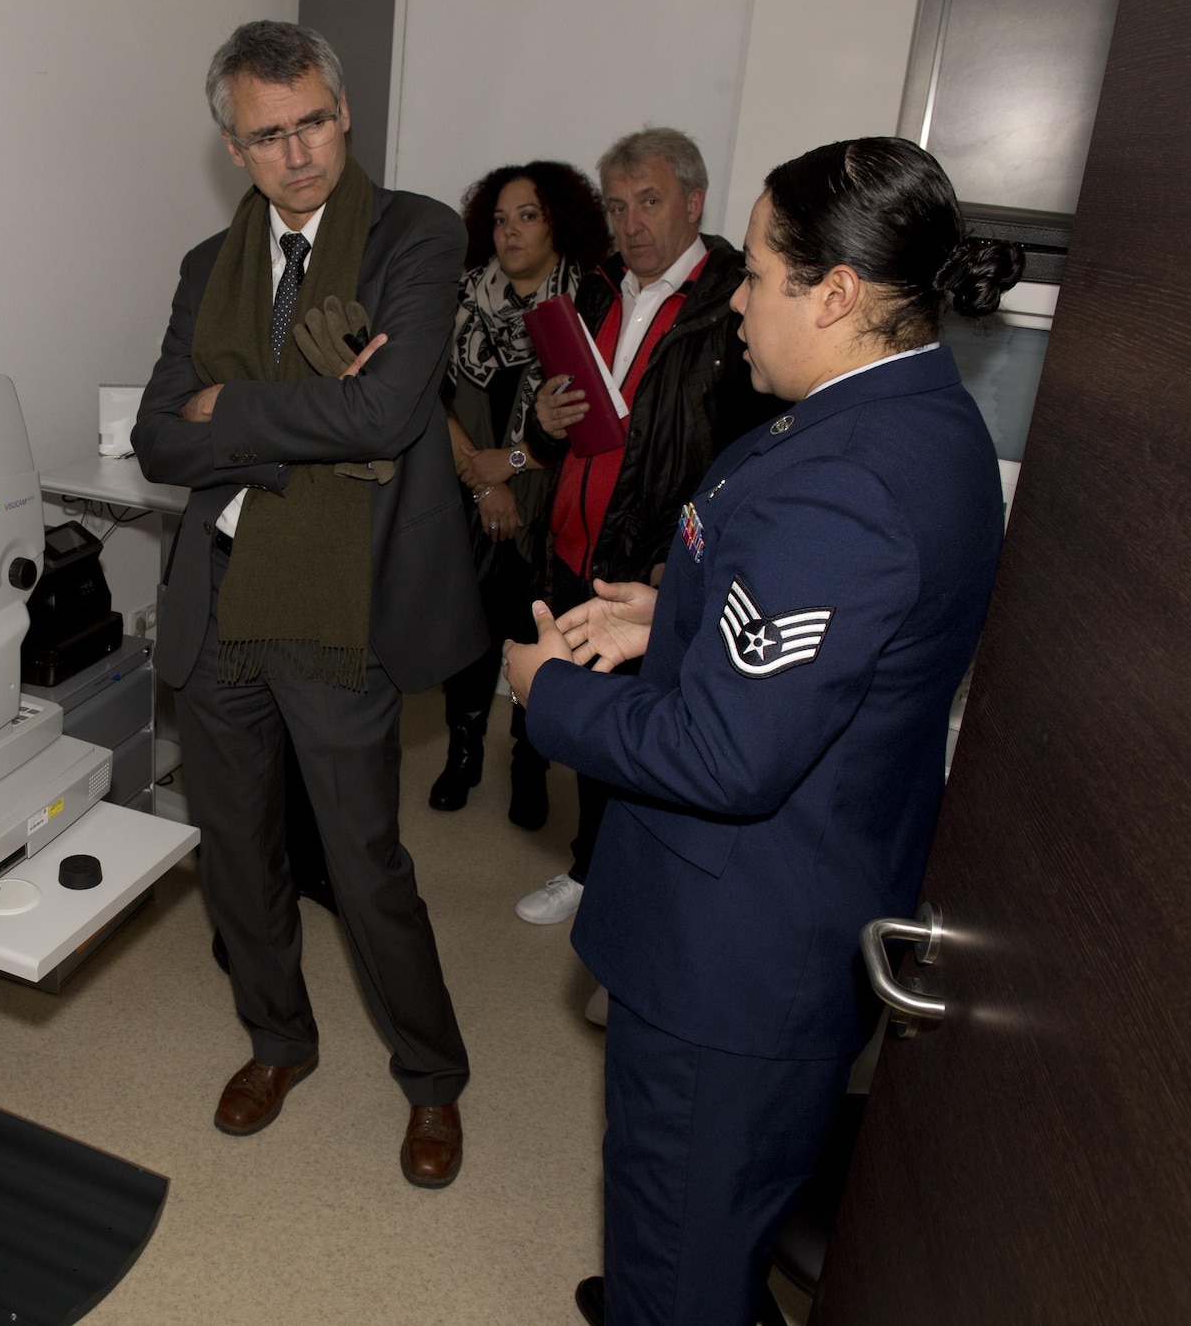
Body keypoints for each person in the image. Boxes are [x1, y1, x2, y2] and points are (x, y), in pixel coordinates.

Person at [503, 136, 1021, 1325]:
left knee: (678, 1239)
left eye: (759, 270)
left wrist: (546, 690)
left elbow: (724, 754)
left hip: (730, 957)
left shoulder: (845, 481)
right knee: (691, 1215)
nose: (734, 292)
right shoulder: (910, 412)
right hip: (797, 897)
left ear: (835, 293)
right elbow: (807, 637)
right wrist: (668, 614)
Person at [132, 20, 483, 1188]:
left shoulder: (414, 234)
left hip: (341, 598)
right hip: (221, 590)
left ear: (344, 113)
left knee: (360, 854)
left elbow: (383, 415)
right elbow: (150, 441)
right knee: (233, 847)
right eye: (268, 135)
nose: (298, 156)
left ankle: (430, 1076)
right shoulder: (202, 265)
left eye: (314, 123)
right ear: (232, 146)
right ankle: (277, 1039)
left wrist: (224, 409)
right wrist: (286, 420)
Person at [512, 128, 778, 927]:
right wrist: (545, 422)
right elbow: (546, 425)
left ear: (694, 202)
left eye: (650, 202)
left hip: (651, 568)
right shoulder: (594, 290)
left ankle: (607, 880)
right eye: (618, 206)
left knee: (639, 735)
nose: (631, 224)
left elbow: (749, 455)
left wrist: (687, 560)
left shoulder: (734, 304)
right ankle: (593, 867)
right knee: (580, 718)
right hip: (571, 543)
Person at [428, 161, 610, 824]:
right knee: (468, 628)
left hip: (554, 502)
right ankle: (463, 748)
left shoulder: (588, 305)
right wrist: (483, 488)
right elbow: (431, 402)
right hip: (469, 497)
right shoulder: (461, 298)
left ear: (558, 221)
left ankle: (527, 763)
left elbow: (581, 423)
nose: (511, 231)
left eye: (527, 216)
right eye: (500, 219)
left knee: (539, 632)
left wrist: (506, 466)